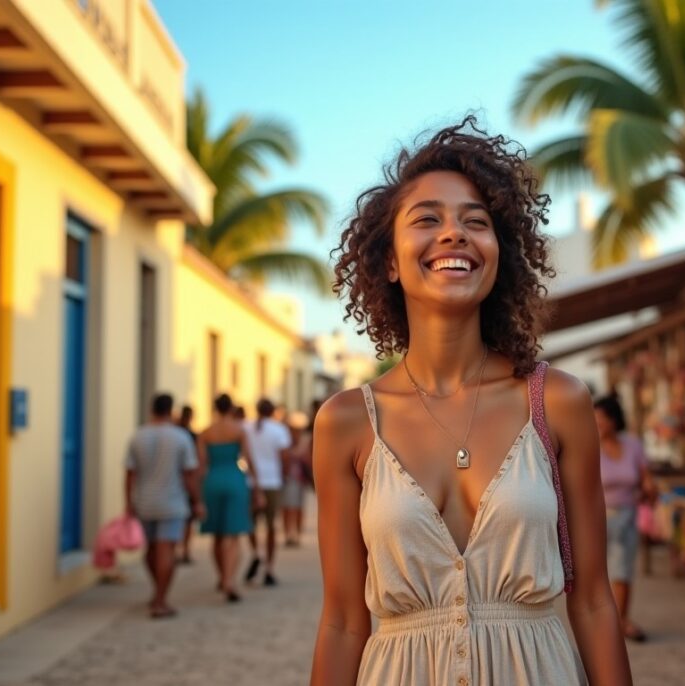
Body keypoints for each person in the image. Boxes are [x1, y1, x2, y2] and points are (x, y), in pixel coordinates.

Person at [311, 117, 632, 685]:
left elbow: (593, 602)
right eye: (427, 219)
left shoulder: (557, 402)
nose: (454, 234)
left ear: (499, 253)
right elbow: (341, 621)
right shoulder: (346, 422)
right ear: (388, 260)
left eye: (475, 222)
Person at [124, 393, 202, 619]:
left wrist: (128, 503)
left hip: (144, 501)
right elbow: (189, 474)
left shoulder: (138, 435)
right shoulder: (180, 437)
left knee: (150, 550)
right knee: (167, 551)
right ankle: (160, 599)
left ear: (152, 408)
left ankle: (155, 591)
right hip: (172, 502)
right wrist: (197, 501)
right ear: (171, 410)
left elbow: (129, 473)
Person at [593, 394, 656, 642]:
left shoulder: (633, 445)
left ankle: (621, 621)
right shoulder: (587, 444)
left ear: (614, 420)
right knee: (596, 573)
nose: (597, 421)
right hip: (597, 517)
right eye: (595, 416)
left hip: (628, 515)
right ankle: (602, 624)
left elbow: (645, 476)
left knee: (622, 572)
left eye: (602, 417)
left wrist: (649, 487)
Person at [198, 393, 265, 602]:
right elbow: (247, 459)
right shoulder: (239, 430)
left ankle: (221, 577)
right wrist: (257, 488)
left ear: (215, 408)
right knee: (233, 535)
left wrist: (198, 495)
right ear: (231, 408)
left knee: (217, 534)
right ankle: (230, 581)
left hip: (212, 480)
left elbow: (201, 465)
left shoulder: (205, 432)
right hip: (235, 480)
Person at [244, 397, 291, 586]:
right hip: (272, 481)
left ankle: (257, 553)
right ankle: (269, 567)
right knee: (271, 526)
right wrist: (284, 476)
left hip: (250, 481)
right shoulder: (279, 429)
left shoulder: (247, 427)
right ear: (273, 411)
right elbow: (284, 457)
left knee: (251, 524)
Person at [281, 411, 313, 547]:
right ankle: (289, 534)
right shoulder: (285, 438)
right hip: (288, 477)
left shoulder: (306, 439)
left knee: (299, 507)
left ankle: (297, 535)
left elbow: (307, 457)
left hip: (301, 478)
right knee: (287, 507)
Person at [175, 404, 199, 565]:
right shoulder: (188, 436)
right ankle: (184, 550)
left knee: (182, 519)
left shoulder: (180, 434)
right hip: (183, 481)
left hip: (175, 482)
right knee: (187, 519)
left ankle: (181, 550)